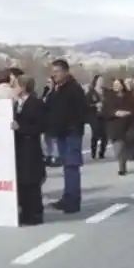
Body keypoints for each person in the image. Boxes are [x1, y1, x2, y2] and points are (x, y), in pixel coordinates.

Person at [45, 59, 86, 213]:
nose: (53, 75)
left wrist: (71, 126)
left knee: (72, 166)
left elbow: (78, 111)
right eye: (52, 72)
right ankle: (67, 196)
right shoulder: (57, 89)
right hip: (61, 133)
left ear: (65, 71)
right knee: (67, 166)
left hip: (71, 132)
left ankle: (73, 200)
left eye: (57, 71)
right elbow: (50, 106)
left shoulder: (73, 89)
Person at [11, 74, 46, 225]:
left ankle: (35, 214)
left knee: (32, 182)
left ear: (23, 87)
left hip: (30, 148)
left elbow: (40, 126)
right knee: (22, 182)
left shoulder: (36, 103)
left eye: (15, 85)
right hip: (19, 148)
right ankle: (25, 212)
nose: (13, 89)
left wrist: (21, 128)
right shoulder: (16, 104)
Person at [102, 79, 134, 176]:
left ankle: (122, 167)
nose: (116, 86)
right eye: (114, 84)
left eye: (118, 84)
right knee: (118, 149)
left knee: (124, 147)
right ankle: (122, 162)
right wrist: (115, 113)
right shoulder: (109, 97)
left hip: (128, 125)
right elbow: (105, 111)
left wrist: (128, 113)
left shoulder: (129, 96)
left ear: (122, 86)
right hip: (114, 126)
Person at [86, 75, 107, 159]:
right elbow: (86, 104)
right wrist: (95, 105)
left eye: (102, 80)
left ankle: (102, 152)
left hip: (104, 115)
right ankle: (93, 152)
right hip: (94, 116)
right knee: (95, 134)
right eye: (100, 80)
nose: (101, 82)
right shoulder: (91, 93)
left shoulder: (106, 91)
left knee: (105, 135)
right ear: (96, 81)